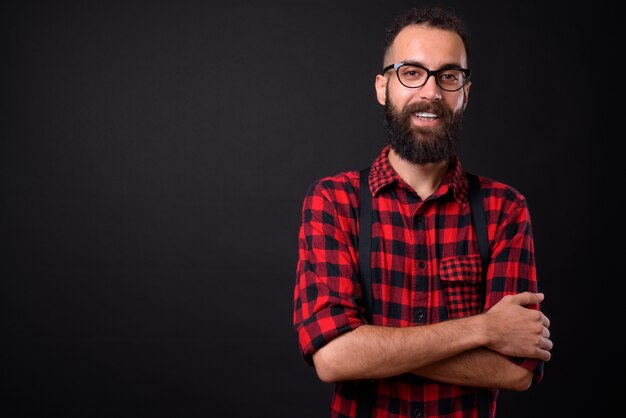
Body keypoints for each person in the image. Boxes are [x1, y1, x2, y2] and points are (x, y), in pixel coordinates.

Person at [292, 5, 553, 418]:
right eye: (411, 73)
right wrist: (483, 329)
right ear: (383, 87)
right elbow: (334, 358)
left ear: (466, 91)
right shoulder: (333, 200)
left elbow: (516, 371)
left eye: (449, 76)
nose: (431, 92)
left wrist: (372, 350)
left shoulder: (504, 209)